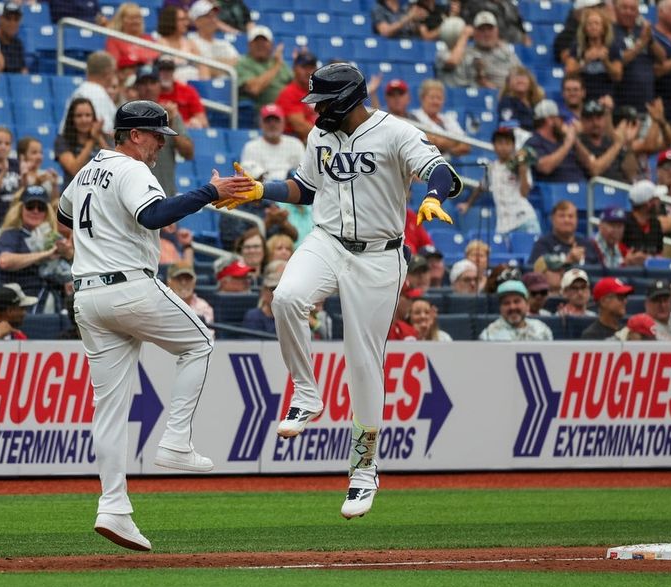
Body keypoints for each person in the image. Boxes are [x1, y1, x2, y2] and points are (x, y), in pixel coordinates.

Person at [214, 63, 461, 520]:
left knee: (363, 358)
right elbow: (306, 189)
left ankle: (364, 471)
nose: (317, 110)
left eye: (324, 102)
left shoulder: (395, 132)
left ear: (349, 98)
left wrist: (433, 197)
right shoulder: (319, 137)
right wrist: (258, 191)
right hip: (327, 240)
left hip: (379, 252)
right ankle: (307, 395)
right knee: (285, 298)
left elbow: (441, 170)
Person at [56, 100, 254, 551]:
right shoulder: (130, 169)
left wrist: (102, 234)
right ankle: (176, 441)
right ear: (134, 134)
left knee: (108, 410)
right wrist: (210, 191)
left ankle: (113, 508)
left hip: (87, 294)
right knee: (200, 340)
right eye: (156, 135)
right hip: (128, 286)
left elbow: (64, 215)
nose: (162, 142)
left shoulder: (88, 170)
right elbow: (153, 215)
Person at [0, 186, 74, 308]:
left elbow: (73, 258)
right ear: (21, 209)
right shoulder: (11, 234)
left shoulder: (52, 236)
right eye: (30, 206)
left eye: (41, 208)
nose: (35, 211)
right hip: (20, 299)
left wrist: (67, 253)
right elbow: (4, 261)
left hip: (55, 296)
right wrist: (45, 255)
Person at [457, 125, 540, 235]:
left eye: (507, 143)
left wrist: (522, 169)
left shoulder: (520, 164)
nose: (503, 147)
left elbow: (524, 193)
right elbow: (481, 186)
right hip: (503, 226)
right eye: (500, 143)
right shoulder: (493, 168)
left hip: (524, 220)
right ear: (494, 146)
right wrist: (468, 204)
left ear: (513, 146)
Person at [133, 64, 195, 195]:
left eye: (152, 82)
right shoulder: (127, 116)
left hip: (164, 193)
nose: (148, 87)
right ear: (136, 87)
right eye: (143, 83)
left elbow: (188, 153)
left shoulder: (169, 114)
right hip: (133, 194)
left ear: (159, 86)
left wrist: (170, 126)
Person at [562, 7, 622, 103]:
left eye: (597, 24)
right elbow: (568, 73)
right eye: (590, 24)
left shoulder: (612, 47)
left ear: (603, 28)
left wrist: (605, 61)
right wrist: (585, 61)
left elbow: (618, 76)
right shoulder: (577, 46)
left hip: (605, 97)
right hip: (583, 98)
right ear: (585, 28)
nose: (593, 27)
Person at [524, 99, 589, 183]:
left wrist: (575, 140)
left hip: (580, 188)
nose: (564, 123)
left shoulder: (563, 139)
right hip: (553, 191)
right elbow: (545, 168)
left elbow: (589, 164)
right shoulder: (533, 142)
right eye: (560, 119)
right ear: (550, 120)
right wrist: (567, 144)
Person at [613, 0, 660, 113]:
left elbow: (662, 57)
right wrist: (641, 43)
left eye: (633, 9)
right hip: (622, 105)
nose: (628, 12)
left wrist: (651, 38)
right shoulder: (611, 32)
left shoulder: (642, 31)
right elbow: (620, 60)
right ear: (616, 9)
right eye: (624, 8)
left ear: (638, 12)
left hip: (646, 103)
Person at [239, 104, 305, 181]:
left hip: (290, 188)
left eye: (276, 121)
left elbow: (304, 172)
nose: (272, 125)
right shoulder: (251, 146)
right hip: (263, 189)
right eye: (268, 121)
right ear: (261, 124)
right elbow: (247, 173)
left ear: (283, 123)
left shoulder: (295, 144)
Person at [236, 25, 292, 115]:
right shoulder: (243, 63)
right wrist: (276, 66)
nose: (260, 45)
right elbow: (254, 89)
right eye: (256, 42)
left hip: (288, 109)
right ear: (249, 45)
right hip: (262, 113)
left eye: (264, 42)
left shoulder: (281, 64)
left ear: (272, 45)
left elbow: (296, 86)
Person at [58, 51, 118, 135]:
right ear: (107, 73)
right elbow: (105, 130)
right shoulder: (97, 93)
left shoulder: (79, 91)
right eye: (114, 72)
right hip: (88, 146)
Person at [410, 79, 470, 158]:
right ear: (422, 98)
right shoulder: (414, 117)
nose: (435, 102)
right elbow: (430, 141)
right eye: (432, 97)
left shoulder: (448, 119)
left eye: (439, 98)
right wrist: (455, 142)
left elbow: (466, 145)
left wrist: (445, 148)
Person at [527, 200, 600, 265]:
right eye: (562, 216)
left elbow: (598, 272)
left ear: (577, 220)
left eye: (571, 216)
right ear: (552, 219)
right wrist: (567, 261)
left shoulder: (587, 244)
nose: (566, 220)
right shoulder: (543, 244)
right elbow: (535, 273)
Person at [462, 11, 521, 90]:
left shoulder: (507, 52)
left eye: (490, 29)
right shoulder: (468, 53)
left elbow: (521, 74)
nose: (486, 34)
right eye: (482, 30)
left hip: (511, 93)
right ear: (474, 33)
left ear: (497, 31)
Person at [56, 97, 110, 183]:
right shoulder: (62, 141)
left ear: (94, 118)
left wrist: (99, 137)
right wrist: (92, 140)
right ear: (72, 119)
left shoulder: (104, 137)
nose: (84, 120)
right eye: (79, 116)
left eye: (88, 115)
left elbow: (114, 163)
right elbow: (74, 170)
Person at [479, 280, 554, 341]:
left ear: (527, 304)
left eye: (517, 301)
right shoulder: (488, 335)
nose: (512, 307)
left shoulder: (542, 330)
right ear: (500, 308)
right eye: (506, 303)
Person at [104, 2, 160, 79]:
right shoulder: (114, 40)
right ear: (121, 20)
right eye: (131, 18)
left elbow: (155, 56)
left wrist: (136, 59)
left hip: (150, 78)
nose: (135, 21)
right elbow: (114, 65)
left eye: (138, 18)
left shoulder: (148, 39)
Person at [275, 51, 319, 142]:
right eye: (304, 67)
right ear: (294, 69)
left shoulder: (320, 92)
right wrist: (328, 138)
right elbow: (300, 127)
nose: (308, 72)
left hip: (315, 140)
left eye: (311, 68)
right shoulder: (289, 93)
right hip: (295, 141)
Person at [155, 4, 207, 82]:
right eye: (181, 20)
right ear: (170, 21)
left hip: (192, 86)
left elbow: (202, 65)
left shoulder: (190, 43)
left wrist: (204, 84)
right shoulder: (159, 44)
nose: (186, 23)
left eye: (186, 20)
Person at [188, 0, 239, 78]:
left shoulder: (224, 44)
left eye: (214, 16)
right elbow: (202, 68)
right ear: (197, 21)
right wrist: (225, 65)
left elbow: (238, 64)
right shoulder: (190, 40)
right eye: (208, 17)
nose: (213, 20)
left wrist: (212, 66)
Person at [155, 56, 209, 128]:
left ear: (173, 71)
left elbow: (203, 121)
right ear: (157, 72)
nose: (166, 73)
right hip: (159, 131)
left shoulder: (187, 91)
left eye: (169, 69)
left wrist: (187, 124)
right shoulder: (151, 91)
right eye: (162, 69)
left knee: (196, 123)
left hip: (185, 132)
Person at [496, 66, 544, 131]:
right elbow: (508, 127)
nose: (520, 80)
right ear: (509, 83)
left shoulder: (538, 102)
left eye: (523, 77)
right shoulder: (506, 102)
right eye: (516, 77)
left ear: (530, 82)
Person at [165, 261, 214, 325]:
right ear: (169, 282)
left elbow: (209, 334)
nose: (183, 283)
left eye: (188, 278)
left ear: (194, 282)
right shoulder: (160, 306)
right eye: (178, 279)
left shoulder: (204, 307)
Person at [242, 267, 280, 334]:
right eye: (273, 289)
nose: (277, 293)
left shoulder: (292, 317)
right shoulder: (253, 317)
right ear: (264, 292)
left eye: (281, 289)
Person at [0, 2, 25, 74]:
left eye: (16, 19)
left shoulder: (18, 44)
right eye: (8, 18)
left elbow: (23, 70)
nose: (12, 23)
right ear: (0, 19)